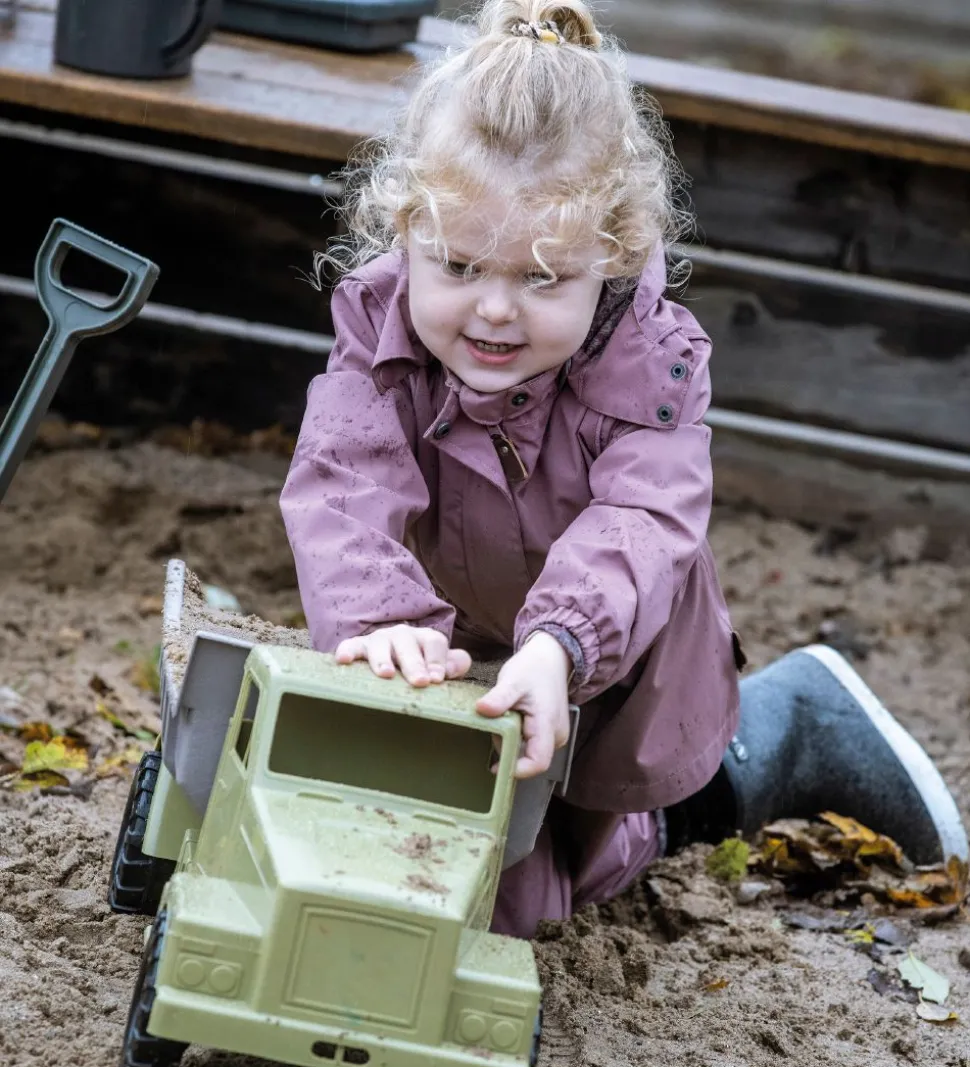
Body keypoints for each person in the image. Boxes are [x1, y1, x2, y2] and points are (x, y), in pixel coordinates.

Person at [281, 0, 967, 939]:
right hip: (452, 641)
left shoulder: (654, 362)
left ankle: (785, 733)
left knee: (584, 856)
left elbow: (643, 522)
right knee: (484, 876)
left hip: (613, 653)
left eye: (541, 279)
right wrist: (382, 622)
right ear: (405, 233)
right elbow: (341, 479)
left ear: (610, 258)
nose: (493, 311)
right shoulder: (380, 328)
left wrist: (562, 644)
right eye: (460, 265)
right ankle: (741, 747)